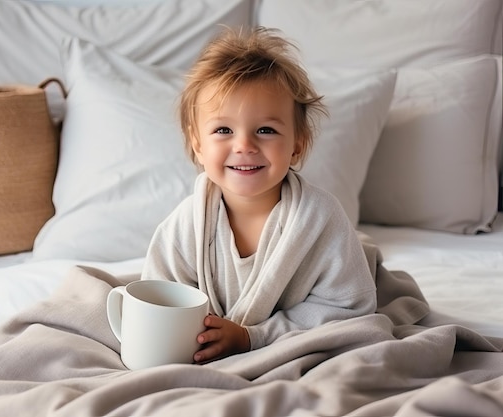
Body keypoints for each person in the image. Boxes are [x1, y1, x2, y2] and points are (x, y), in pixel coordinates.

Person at [141, 27, 377, 364]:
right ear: (197, 143)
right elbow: (159, 299)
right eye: (223, 130)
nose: (244, 146)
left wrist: (253, 337)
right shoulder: (184, 226)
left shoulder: (321, 218)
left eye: (266, 130)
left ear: (298, 143)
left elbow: (349, 308)